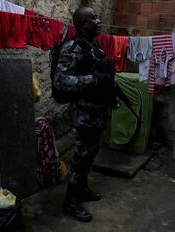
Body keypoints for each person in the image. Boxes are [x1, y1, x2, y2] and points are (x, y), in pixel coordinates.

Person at [53, 6, 113, 222]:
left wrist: (109, 94)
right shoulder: (71, 48)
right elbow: (60, 81)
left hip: (97, 111)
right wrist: (92, 80)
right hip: (84, 112)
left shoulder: (94, 48)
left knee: (90, 153)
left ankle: (82, 189)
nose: (99, 21)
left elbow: (104, 77)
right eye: (94, 18)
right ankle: (70, 201)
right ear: (83, 23)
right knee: (80, 157)